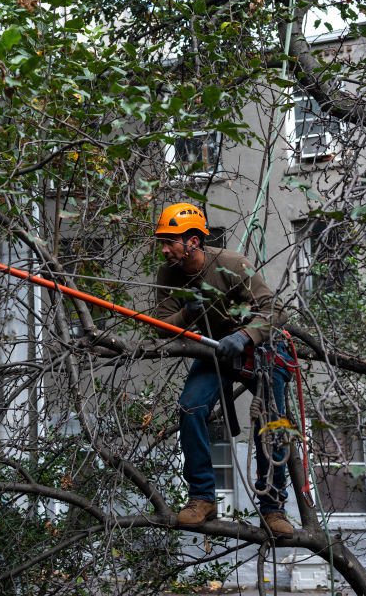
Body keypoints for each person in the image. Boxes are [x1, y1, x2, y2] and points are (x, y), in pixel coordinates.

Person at [153, 202, 295, 537]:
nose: (165, 249)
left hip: (259, 350)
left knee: (269, 422)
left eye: (171, 241)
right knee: (191, 407)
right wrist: (187, 315)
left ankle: (273, 508)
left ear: (193, 241)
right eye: (163, 241)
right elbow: (160, 326)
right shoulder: (168, 274)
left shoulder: (232, 264)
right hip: (216, 352)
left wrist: (246, 335)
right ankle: (202, 497)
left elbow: (275, 311)